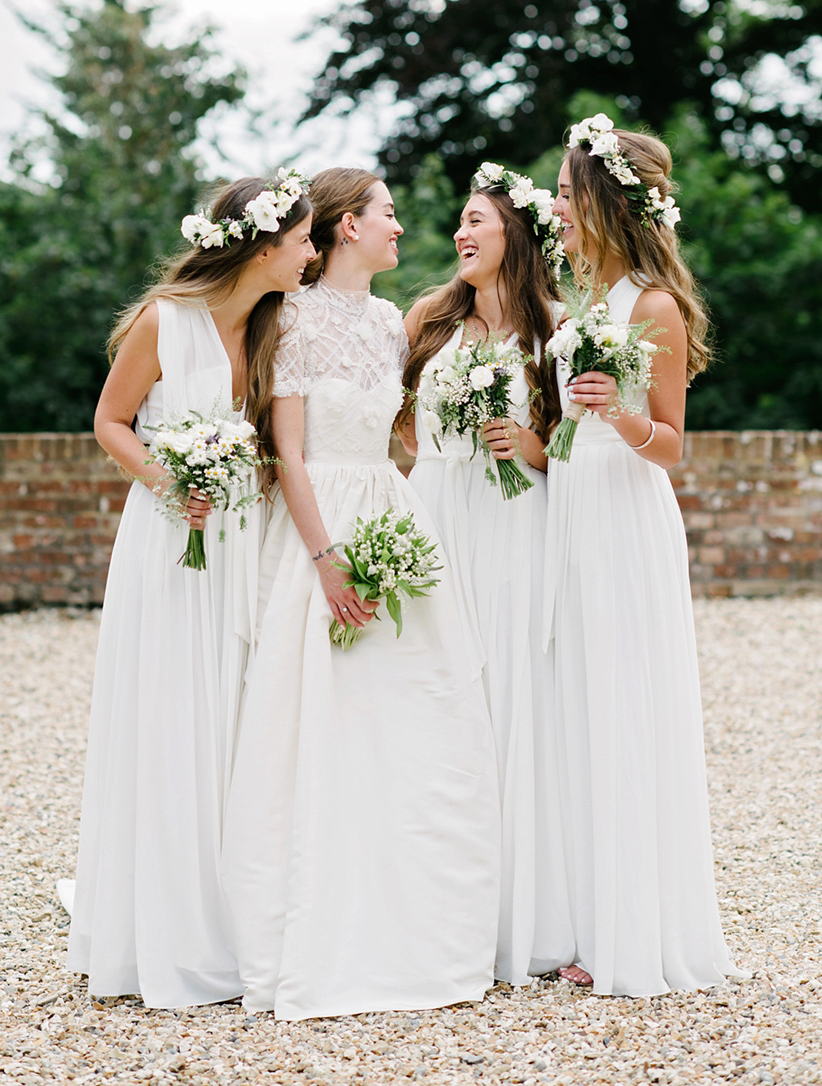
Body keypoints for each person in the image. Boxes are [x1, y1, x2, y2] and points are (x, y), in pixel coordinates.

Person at [222, 167, 501, 1022]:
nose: (400, 229)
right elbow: (289, 454)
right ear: (347, 228)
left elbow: (398, 434)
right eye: (389, 213)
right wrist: (326, 557)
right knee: (315, 716)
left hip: (391, 509)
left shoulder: (389, 321)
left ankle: (413, 910)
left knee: (414, 713)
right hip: (321, 525)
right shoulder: (292, 317)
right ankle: (318, 908)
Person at [65, 172, 315, 1008]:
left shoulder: (277, 327)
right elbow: (109, 421)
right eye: (305, 239)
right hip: (173, 538)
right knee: (176, 712)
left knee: (239, 713)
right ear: (265, 244)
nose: (311, 254)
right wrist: (167, 481)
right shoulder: (162, 321)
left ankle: (230, 910)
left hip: (240, 539)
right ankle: (164, 928)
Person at [540, 115, 745, 996]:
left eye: (563, 190)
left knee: (625, 705)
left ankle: (638, 933)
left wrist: (616, 415)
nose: (553, 203)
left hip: (626, 508)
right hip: (574, 503)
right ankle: (589, 915)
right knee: (580, 707)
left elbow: (669, 444)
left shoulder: (651, 305)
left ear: (601, 203)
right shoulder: (583, 302)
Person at [399, 163, 571, 985]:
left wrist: (524, 445)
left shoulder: (556, 331)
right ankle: (430, 906)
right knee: (430, 693)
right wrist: (435, 457)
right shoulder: (429, 318)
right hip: (436, 511)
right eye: (459, 224)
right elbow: (389, 419)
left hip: (512, 526)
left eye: (477, 222)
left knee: (509, 700)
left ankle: (517, 911)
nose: (461, 235)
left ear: (515, 233)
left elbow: (575, 448)